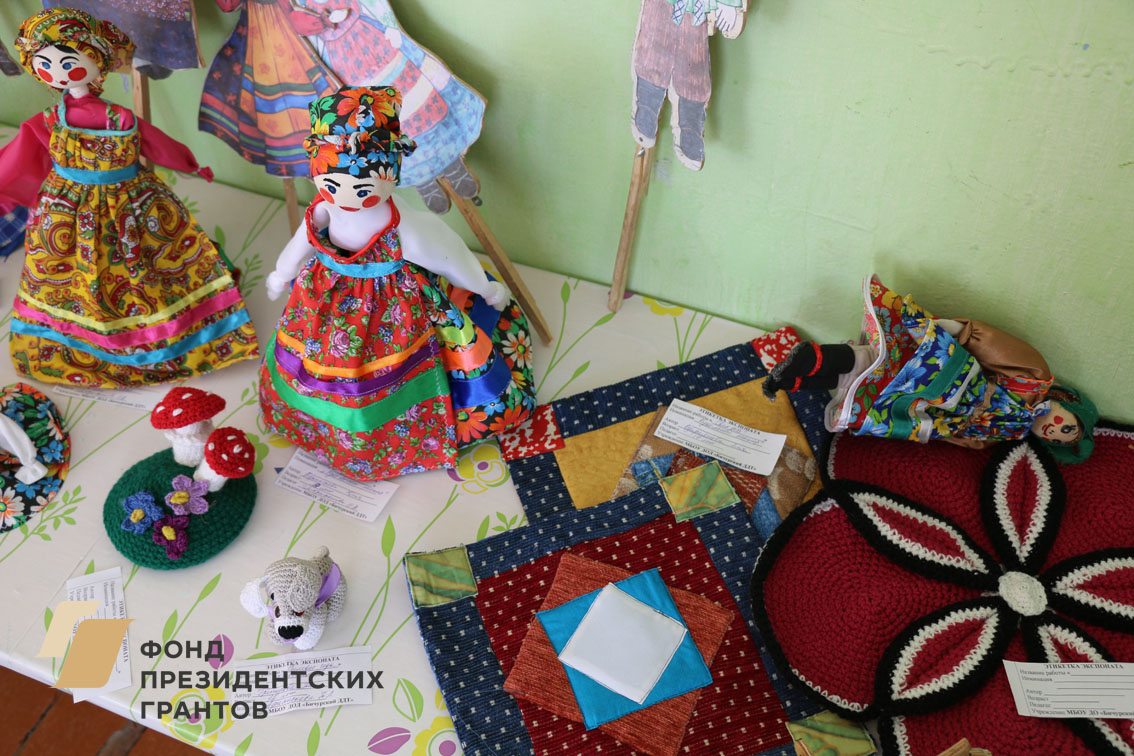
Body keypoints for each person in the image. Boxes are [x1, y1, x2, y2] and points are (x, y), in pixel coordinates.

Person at [259, 86, 535, 481]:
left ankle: (393, 440)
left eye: (363, 189)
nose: (346, 198)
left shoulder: (404, 227)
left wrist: (484, 287)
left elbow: (447, 255)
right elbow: (302, 239)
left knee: (392, 375)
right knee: (312, 361)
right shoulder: (324, 209)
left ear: (391, 176)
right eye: (332, 185)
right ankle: (316, 425)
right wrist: (282, 272)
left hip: (391, 308)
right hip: (325, 298)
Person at [1, 8, 258, 388]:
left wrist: (190, 165)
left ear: (98, 59)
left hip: (123, 205)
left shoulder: (118, 119)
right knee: (72, 272)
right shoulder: (51, 120)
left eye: (68, 63)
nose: (58, 73)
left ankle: (158, 340)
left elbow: (158, 145)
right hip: (73, 211)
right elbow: (19, 159)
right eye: (45, 65)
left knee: (147, 263)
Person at [763, 275, 1098, 463]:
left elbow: (972, 439)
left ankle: (792, 379)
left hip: (942, 411)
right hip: (954, 375)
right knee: (874, 360)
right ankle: (814, 358)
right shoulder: (1034, 379)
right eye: (1065, 427)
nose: (1052, 431)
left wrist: (937, 431)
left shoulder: (1013, 431)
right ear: (1068, 402)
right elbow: (996, 348)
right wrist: (956, 331)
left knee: (867, 397)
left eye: (1055, 439)